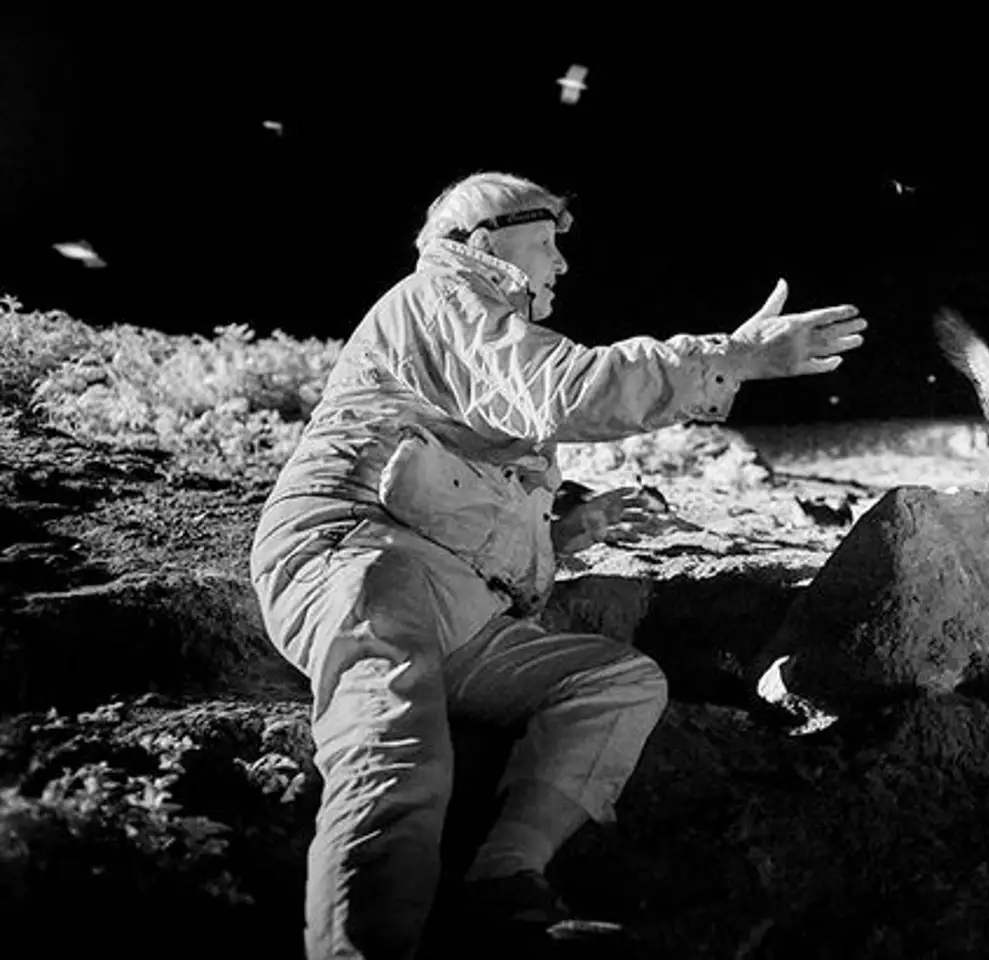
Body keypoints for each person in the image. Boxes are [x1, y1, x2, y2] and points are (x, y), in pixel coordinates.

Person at [248, 170, 867, 959]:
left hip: (446, 590)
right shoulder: (441, 296)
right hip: (357, 557)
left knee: (615, 681)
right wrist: (732, 359)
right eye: (546, 244)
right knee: (395, 746)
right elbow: (562, 389)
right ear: (487, 241)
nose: (561, 267)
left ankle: (504, 885)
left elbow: (458, 493)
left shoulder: (472, 331)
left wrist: (569, 530)